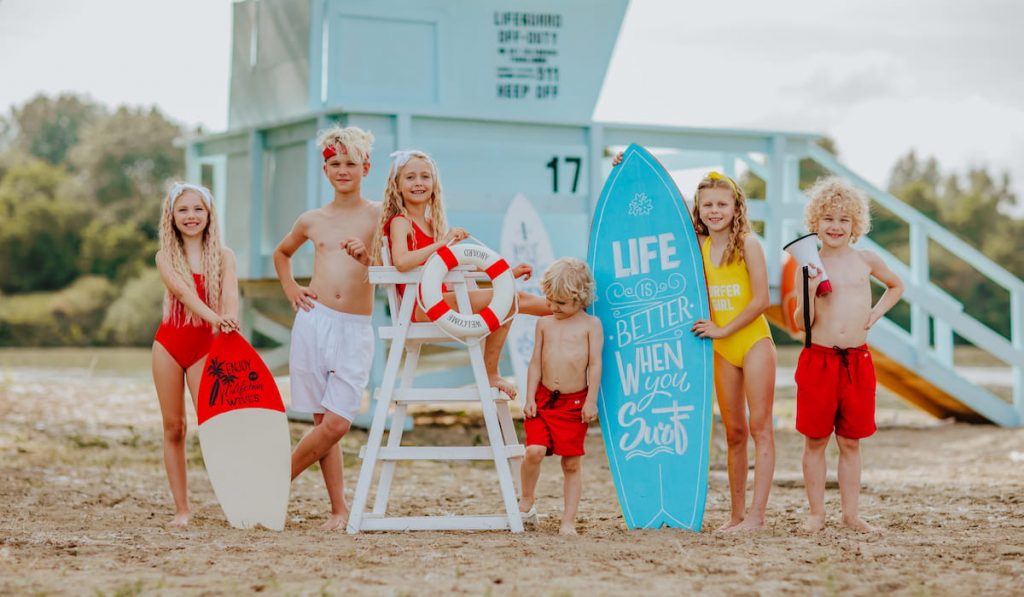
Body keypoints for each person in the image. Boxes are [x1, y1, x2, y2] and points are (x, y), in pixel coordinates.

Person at [370, 149, 551, 397]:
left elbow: (460, 264)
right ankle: (492, 372)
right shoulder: (400, 222)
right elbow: (401, 262)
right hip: (420, 307)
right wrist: (441, 244)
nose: (419, 183)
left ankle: (567, 309)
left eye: (425, 176)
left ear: (434, 185)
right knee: (512, 299)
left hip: (443, 301)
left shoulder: (433, 224)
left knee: (513, 297)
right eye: (410, 177)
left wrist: (505, 271)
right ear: (397, 186)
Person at [272, 124, 379, 530]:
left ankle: (274, 480)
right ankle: (338, 510)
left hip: (355, 325)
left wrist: (367, 256)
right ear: (326, 170)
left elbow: (390, 264)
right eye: (335, 163)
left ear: (365, 167)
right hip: (314, 322)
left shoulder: (378, 214)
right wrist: (290, 288)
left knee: (337, 422)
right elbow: (283, 254)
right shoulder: (312, 219)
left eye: (351, 163)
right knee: (323, 425)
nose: (343, 170)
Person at [794, 176, 903, 533]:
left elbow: (896, 285)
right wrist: (809, 291)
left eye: (844, 219)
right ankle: (816, 514)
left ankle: (851, 514)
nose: (836, 226)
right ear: (816, 223)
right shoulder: (808, 264)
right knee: (816, 440)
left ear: (855, 225)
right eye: (828, 218)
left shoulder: (866, 260)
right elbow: (800, 322)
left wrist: (876, 313)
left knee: (851, 441)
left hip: (856, 360)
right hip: (819, 359)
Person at [689, 172, 777, 532]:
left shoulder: (749, 245)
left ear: (736, 207)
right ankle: (736, 516)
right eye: (707, 204)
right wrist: (623, 163)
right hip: (722, 350)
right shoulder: (698, 246)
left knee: (760, 428)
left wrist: (724, 329)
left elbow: (762, 300)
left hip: (753, 342)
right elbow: (662, 204)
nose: (714, 210)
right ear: (698, 208)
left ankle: (756, 517)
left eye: (722, 204)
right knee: (734, 433)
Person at [152, 182, 240, 527]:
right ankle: (183, 510)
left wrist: (229, 318)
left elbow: (230, 294)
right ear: (171, 217)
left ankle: (232, 501)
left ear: (209, 214)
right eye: (183, 210)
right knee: (174, 427)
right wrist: (216, 317)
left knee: (214, 427)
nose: (191, 216)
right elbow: (186, 296)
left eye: (198, 209)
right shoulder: (165, 256)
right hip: (169, 345)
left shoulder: (224, 255)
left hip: (207, 347)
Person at [515, 258, 602, 536]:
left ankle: (568, 521)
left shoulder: (591, 325)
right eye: (550, 301)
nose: (554, 308)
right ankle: (527, 497)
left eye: (561, 303)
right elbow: (535, 363)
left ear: (581, 298)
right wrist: (529, 396)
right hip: (543, 400)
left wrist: (591, 400)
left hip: (573, 404)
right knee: (534, 451)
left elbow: (595, 364)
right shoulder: (544, 323)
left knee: (571, 463)